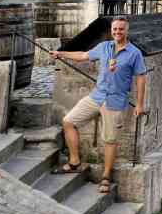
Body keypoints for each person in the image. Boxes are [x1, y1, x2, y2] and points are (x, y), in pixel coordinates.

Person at [50, 17, 146, 193]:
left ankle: (106, 176)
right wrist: (61, 54)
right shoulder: (104, 47)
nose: (117, 32)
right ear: (111, 30)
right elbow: (83, 56)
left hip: (115, 101)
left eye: (121, 29)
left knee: (110, 140)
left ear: (126, 31)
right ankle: (74, 162)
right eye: (115, 29)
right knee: (68, 121)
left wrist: (139, 104)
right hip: (96, 96)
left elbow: (140, 78)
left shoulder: (134, 53)